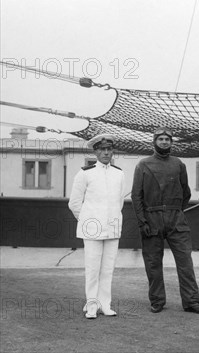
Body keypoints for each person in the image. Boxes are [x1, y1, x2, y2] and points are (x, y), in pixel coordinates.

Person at [131, 127, 199, 314]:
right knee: (153, 263)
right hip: (151, 219)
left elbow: (186, 192)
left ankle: (191, 302)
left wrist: (175, 212)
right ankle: (157, 301)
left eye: (168, 139)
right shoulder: (143, 164)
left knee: (185, 262)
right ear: (154, 142)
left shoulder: (178, 164)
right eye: (161, 139)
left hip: (176, 220)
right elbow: (136, 196)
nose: (164, 142)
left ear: (171, 142)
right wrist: (143, 221)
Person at [68, 134, 126, 319]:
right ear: (96, 151)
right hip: (91, 229)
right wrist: (87, 220)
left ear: (112, 151)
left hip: (112, 228)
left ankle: (105, 304)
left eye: (109, 149)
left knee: (108, 268)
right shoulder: (85, 173)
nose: (106, 152)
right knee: (92, 269)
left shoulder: (119, 173)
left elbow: (119, 202)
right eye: (102, 149)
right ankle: (91, 305)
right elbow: (74, 203)